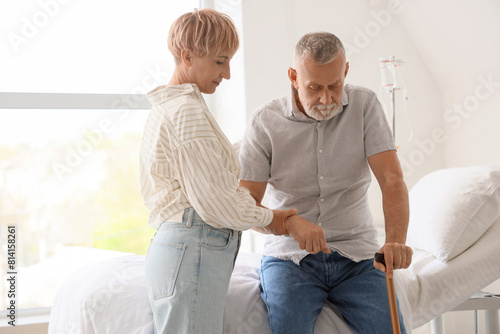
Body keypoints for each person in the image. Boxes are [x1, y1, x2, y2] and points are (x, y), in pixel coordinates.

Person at [139, 9, 328, 334]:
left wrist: (268, 137)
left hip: (173, 249)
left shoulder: (171, 109)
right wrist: (277, 219)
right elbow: (217, 202)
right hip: (191, 250)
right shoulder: (188, 114)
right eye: (219, 61)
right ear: (187, 56)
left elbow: (213, 164)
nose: (226, 73)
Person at [239, 32, 413, 334]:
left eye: (334, 86)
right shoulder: (264, 122)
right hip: (290, 258)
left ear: (345, 71)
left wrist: (395, 239)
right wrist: (289, 224)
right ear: (293, 77)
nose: (326, 98)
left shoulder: (365, 105)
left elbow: (391, 180)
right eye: (314, 87)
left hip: (358, 256)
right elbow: (244, 207)